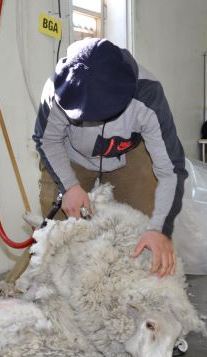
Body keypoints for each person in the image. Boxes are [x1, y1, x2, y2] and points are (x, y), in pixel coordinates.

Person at [32, 37, 187, 278]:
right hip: (69, 153)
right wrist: (69, 186)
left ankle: (135, 287)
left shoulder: (148, 94)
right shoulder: (57, 88)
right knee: (57, 234)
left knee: (144, 226)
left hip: (127, 154)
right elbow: (47, 139)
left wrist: (160, 229)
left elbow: (171, 170)